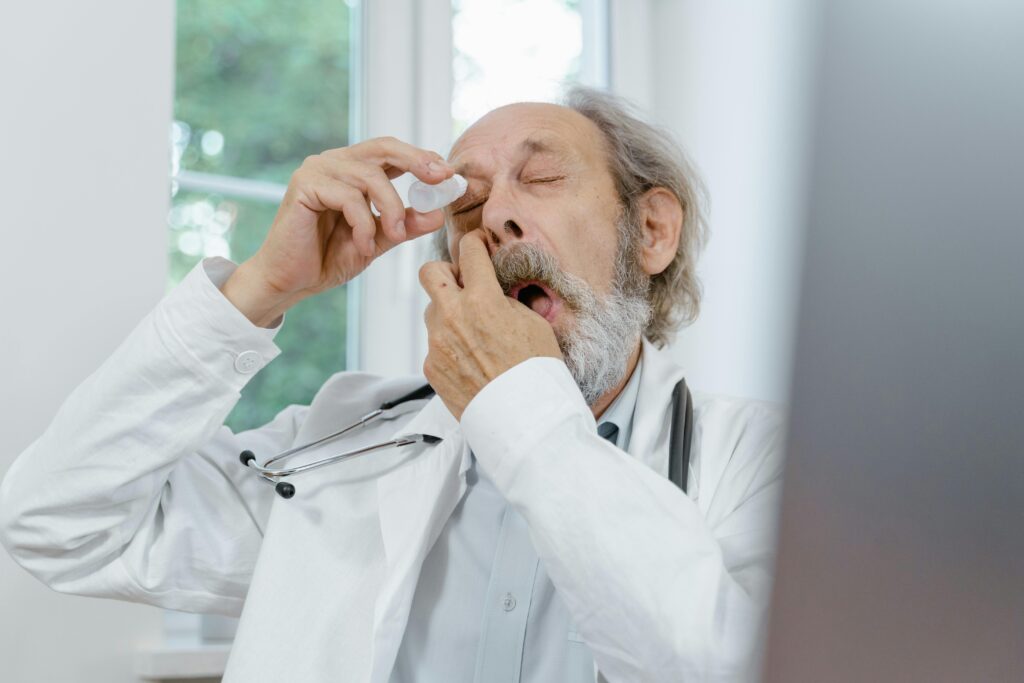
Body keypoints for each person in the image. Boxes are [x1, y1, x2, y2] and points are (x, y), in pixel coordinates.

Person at [0, 87, 785, 683]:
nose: (497, 217)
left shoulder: (766, 460)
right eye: (467, 200)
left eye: (541, 177)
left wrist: (523, 409)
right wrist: (262, 287)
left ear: (651, 231)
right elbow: (57, 519)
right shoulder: (341, 446)